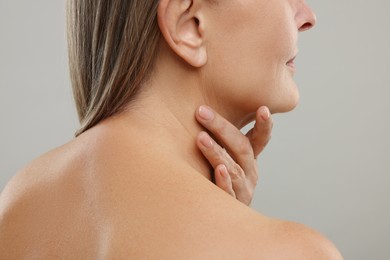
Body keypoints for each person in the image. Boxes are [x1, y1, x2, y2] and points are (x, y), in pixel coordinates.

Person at [0, 0, 343, 259]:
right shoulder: (296, 254)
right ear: (189, 25)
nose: (307, 16)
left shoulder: (18, 201)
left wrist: (227, 217)